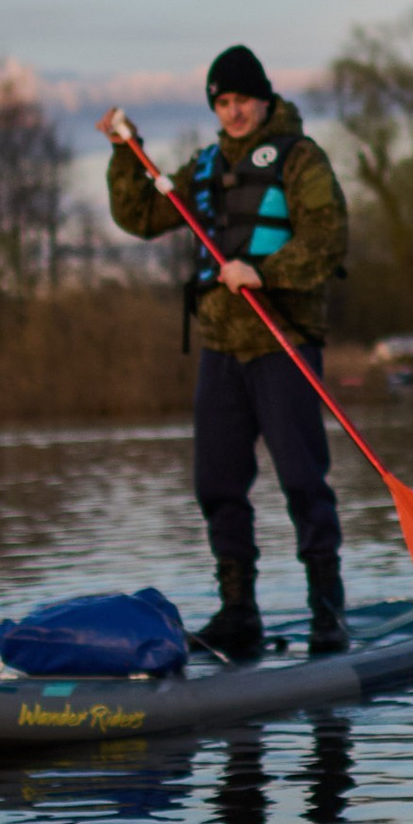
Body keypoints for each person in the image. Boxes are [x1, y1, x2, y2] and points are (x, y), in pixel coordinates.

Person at [99, 46, 349, 662]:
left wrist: (263, 271)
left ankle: (327, 613)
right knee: (216, 484)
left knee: (301, 481)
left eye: (241, 100)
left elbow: (329, 237)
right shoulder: (205, 166)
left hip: (283, 341)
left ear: (263, 99)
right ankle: (239, 613)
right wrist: (121, 153)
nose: (233, 112)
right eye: (223, 103)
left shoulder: (300, 158)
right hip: (220, 348)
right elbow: (140, 215)